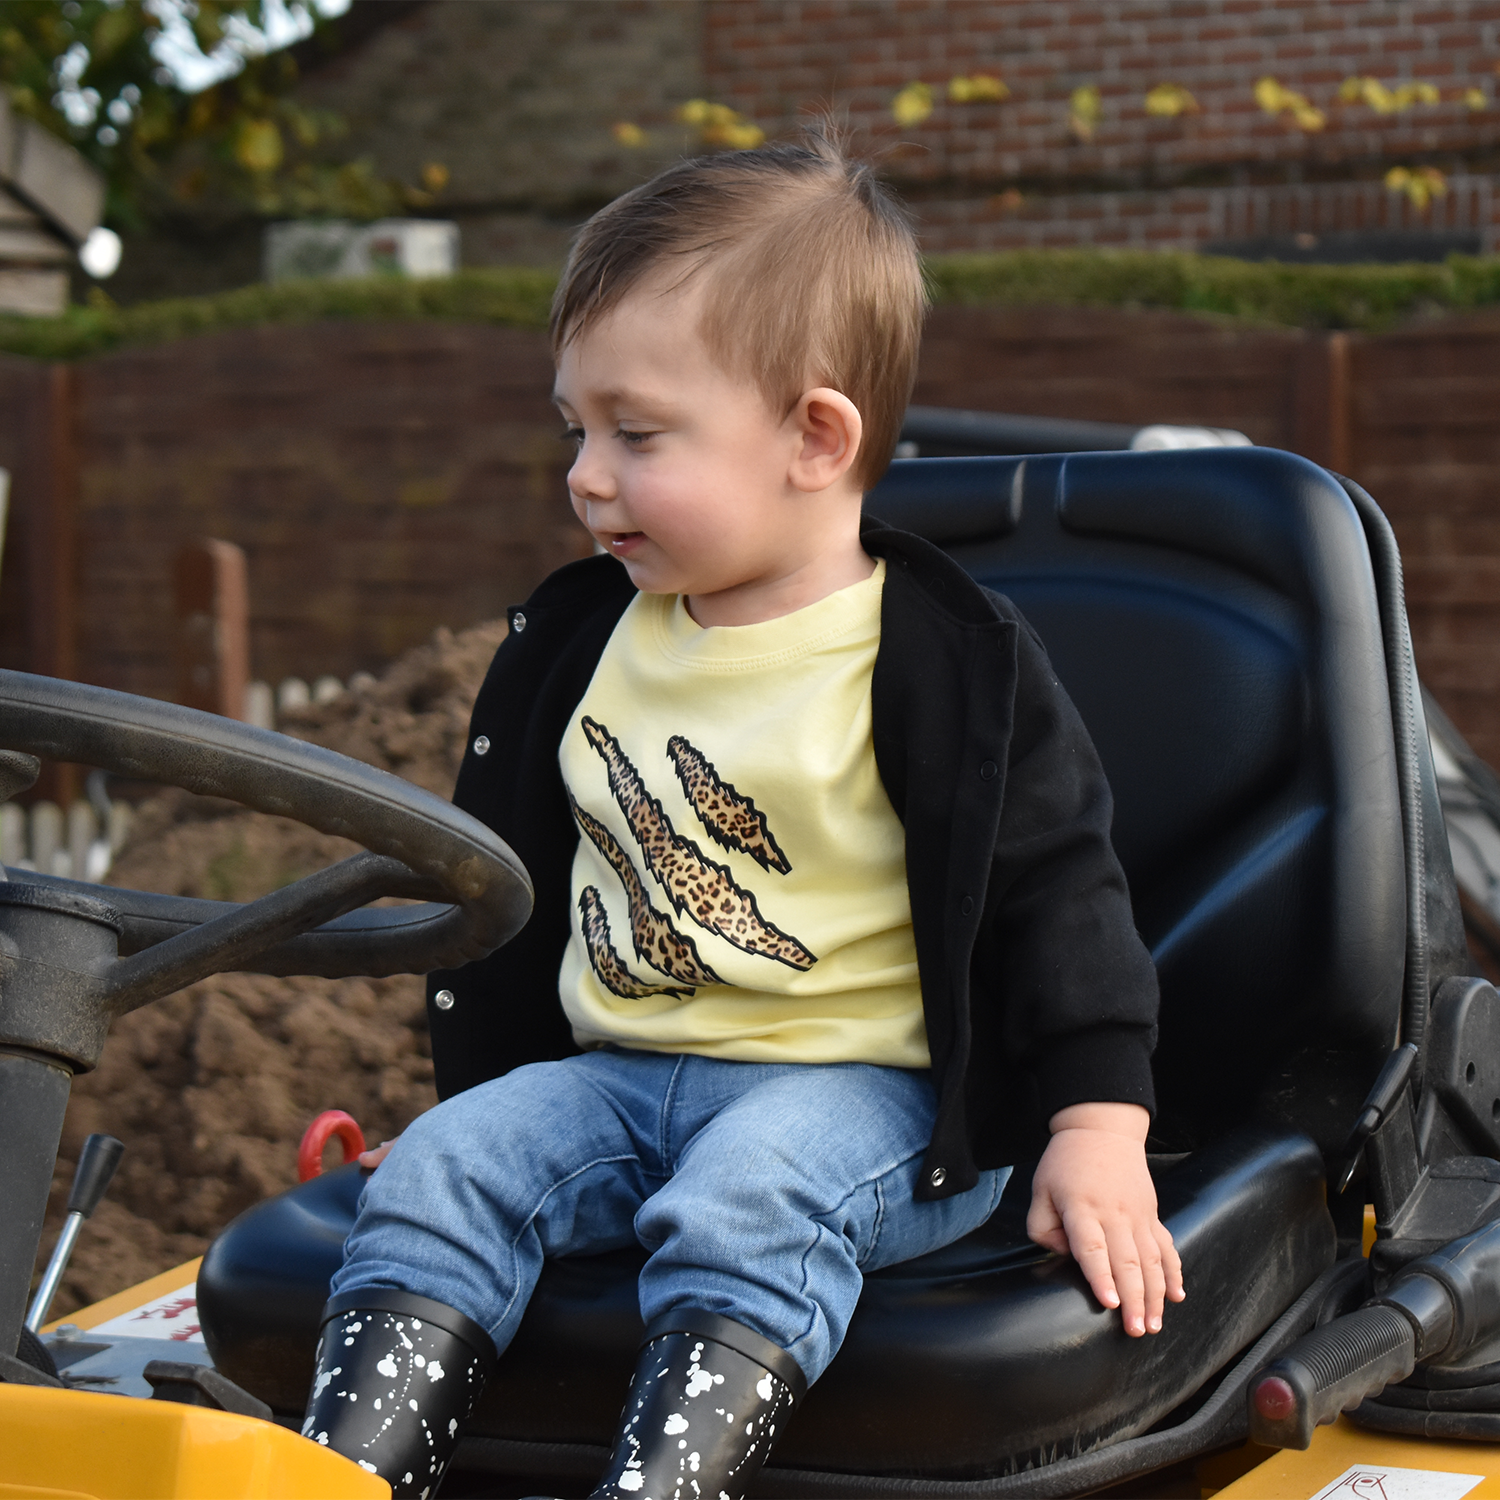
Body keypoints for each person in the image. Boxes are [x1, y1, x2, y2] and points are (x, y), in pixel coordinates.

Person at [299, 128, 1184, 1500]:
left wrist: (1097, 1130)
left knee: (749, 1196)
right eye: (576, 429)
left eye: (637, 434)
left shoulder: (945, 662)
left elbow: (1061, 898)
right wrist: (486, 1102)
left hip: (865, 1094)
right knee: (443, 1169)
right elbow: (527, 882)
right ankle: (345, 1481)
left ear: (814, 439)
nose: (586, 474)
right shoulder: (583, 636)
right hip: (615, 1073)